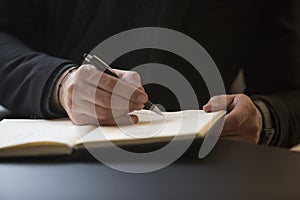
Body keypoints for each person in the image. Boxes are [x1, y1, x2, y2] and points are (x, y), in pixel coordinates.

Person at [0, 0, 299, 147]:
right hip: (45, 160)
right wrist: (60, 83)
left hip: (197, 167)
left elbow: (290, 92)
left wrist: (263, 117)